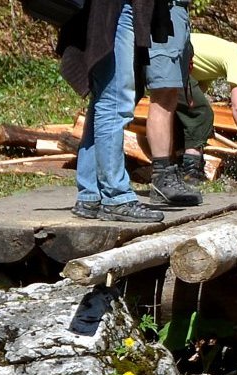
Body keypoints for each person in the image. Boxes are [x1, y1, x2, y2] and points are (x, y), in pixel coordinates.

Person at [58, 0, 166, 222]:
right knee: (115, 102)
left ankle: (90, 194)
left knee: (104, 100)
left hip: (108, 11)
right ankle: (116, 197)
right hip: (115, 10)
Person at [175, 34, 237, 185]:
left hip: (169, 59)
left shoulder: (222, 52)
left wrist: (202, 129)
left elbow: (197, 91)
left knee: (194, 116)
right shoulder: (236, 59)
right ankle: (191, 174)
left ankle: (178, 165)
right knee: (202, 114)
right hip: (174, 62)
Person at [144, 0, 202, 205]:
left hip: (177, 13)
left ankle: (165, 174)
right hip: (164, 12)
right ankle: (160, 176)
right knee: (163, 94)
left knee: (169, 97)